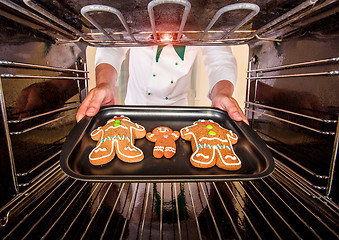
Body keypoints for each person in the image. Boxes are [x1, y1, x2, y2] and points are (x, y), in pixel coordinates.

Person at [75, 44, 248, 124]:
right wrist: (104, 83)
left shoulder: (201, 13)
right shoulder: (134, 9)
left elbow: (220, 57)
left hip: (179, 113)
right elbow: (112, 46)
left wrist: (222, 93)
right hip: (135, 109)